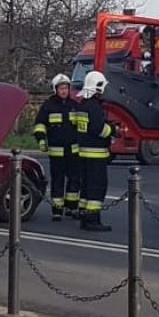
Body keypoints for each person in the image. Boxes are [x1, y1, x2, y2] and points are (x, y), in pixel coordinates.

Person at [32, 74, 80, 221]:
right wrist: (41, 140)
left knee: (74, 179)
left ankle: (72, 208)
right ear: (55, 89)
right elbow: (40, 124)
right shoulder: (48, 106)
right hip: (56, 151)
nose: (64, 91)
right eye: (61, 88)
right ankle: (57, 209)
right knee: (57, 180)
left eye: (66, 88)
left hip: (74, 150)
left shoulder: (74, 105)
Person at [71, 70, 115, 232]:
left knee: (86, 187)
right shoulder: (95, 107)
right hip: (96, 154)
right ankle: (92, 220)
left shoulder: (82, 105)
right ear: (97, 87)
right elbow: (99, 129)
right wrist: (112, 129)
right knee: (97, 187)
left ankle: (84, 216)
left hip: (83, 152)